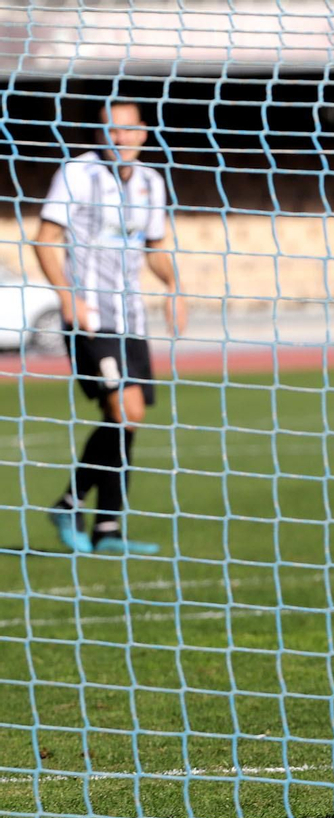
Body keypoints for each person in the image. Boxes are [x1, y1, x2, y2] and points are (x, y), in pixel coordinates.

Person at [34, 97, 184, 556]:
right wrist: (67, 298)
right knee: (127, 410)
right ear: (101, 136)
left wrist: (174, 285)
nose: (120, 139)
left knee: (125, 421)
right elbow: (45, 239)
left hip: (131, 319)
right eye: (110, 131)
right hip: (91, 320)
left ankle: (107, 529)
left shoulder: (151, 183)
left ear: (143, 132)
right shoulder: (78, 174)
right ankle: (68, 504)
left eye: (128, 129)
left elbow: (154, 246)